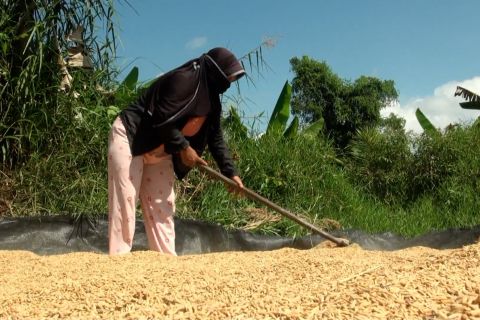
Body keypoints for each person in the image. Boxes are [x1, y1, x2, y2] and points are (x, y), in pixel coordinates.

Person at [107, 47, 245, 256]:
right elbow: (161, 116)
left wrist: (230, 173)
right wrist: (184, 148)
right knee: (126, 201)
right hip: (131, 138)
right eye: (228, 77)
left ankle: (166, 265)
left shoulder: (213, 103)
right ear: (216, 71)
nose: (229, 83)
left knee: (163, 207)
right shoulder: (184, 80)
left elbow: (216, 139)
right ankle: (118, 261)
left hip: (161, 150)